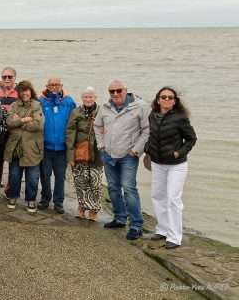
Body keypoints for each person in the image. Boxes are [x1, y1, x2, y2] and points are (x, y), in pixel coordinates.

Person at [94, 79, 150, 240]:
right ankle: (119, 217)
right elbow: (97, 126)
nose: (116, 94)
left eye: (119, 90)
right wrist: (101, 145)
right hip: (109, 154)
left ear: (126, 90)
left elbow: (147, 130)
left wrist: (136, 149)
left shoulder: (140, 106)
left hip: (128, 156)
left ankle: (136, 225)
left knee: (129, 188)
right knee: (112, 187)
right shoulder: (105, 108)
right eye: (112, 91)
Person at [145, 87, 197, 249]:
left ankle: (175, 237)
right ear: (158, 99)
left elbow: (191, 139)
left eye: (170, 97)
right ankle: (162, 229)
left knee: (173, 199)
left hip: (177, 165)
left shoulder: (181, 118)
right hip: (157, 163)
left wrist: (178, 153)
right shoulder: (152, 116)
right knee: (157, 196)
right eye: (163, 97)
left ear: (174, 101)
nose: (166, 99)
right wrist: (148, 149)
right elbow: (151, 135)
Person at [4, 81, 44, 213]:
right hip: (16, 146)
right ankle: (12, 196)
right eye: (22, 91)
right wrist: (25, 119)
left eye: (27, 90)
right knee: (14, 175)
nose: (24, 93)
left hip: (33, 148)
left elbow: (38, 125)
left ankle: (31, 199)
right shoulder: (14, 105)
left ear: (31, 91)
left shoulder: (37, 105)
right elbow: (9, 122)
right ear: (19, 93)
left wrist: (19, 121)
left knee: (32, 177)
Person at [37, 77, 76, 214]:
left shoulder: (69, 101)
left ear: (61, 86)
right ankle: (45, 199)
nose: (54, 87)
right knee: (45, 175)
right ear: (47, 86)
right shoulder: (41, 101)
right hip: (46, 147)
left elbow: (75, 121)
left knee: (60, 176)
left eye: (56, 85)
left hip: (62, 147)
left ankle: (58, 202)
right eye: (51, 85)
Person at [66, 87, 104, 222]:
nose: (88, 99)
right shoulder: (76, 112)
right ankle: (82, 207)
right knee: (80, 181)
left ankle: (94, 209)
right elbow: (70, 134)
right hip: (80, 152)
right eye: (86, 97)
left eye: (91, 97)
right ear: (82, 98)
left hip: (97, 152)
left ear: (95, 98)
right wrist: (70, 156)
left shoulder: (102, 111)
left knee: (95, 182)